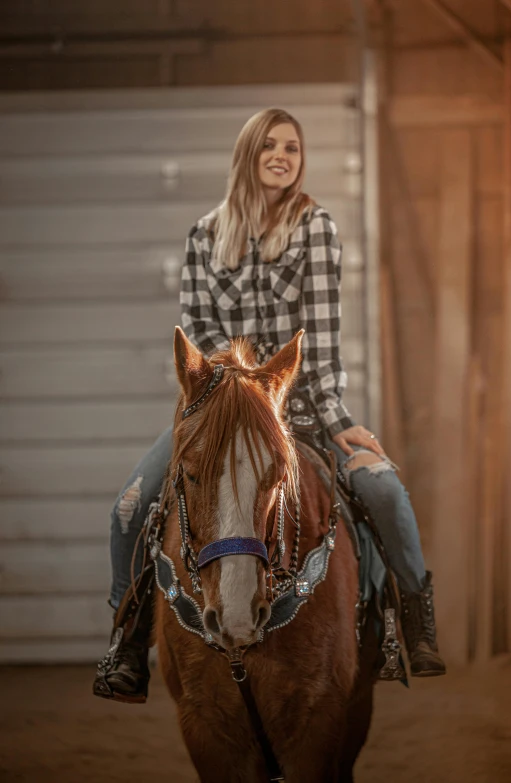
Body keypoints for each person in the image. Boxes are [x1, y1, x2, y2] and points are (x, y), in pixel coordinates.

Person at [93, 108, 446, 704]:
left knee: (384, 489)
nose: (283, 156)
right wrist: (219, 403)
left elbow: (322, 347)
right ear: (249, 155)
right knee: (130, 508)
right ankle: (127, 643)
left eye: (293, 147)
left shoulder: (317, 229)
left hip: (299, 411)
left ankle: (410, 625)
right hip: (217, 411)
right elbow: (198, 334)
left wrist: (339, 425)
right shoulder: (204, 235)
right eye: (270, 146)